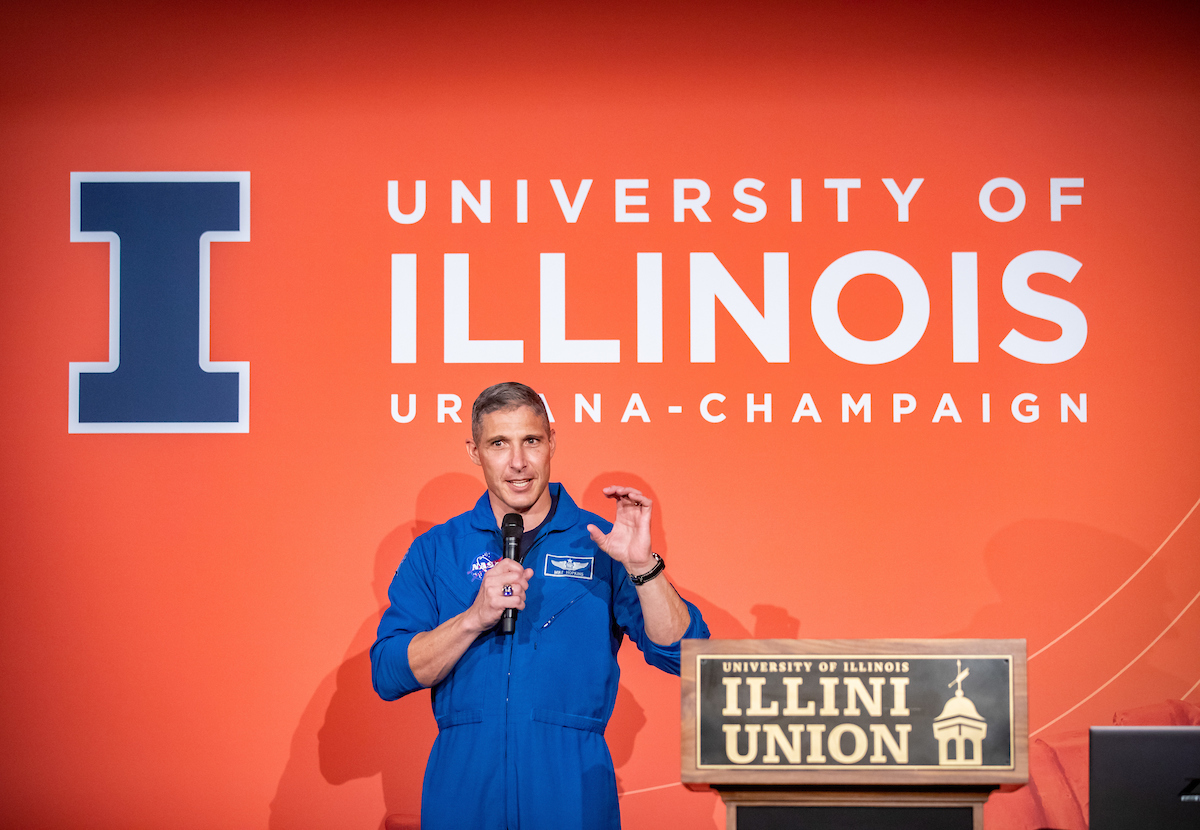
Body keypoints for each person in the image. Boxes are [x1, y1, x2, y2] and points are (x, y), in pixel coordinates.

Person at [370, 382, 709, 830]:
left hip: (571, 789)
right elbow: (388, 673)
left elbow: (687, 654)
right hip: (464, 788)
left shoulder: (602, 543)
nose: (517, 462)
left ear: (552, 441)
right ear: (474, 451)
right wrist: (473, 620)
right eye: (498, 444)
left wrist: (643, 565)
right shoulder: (436, 550)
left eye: (531, 440)